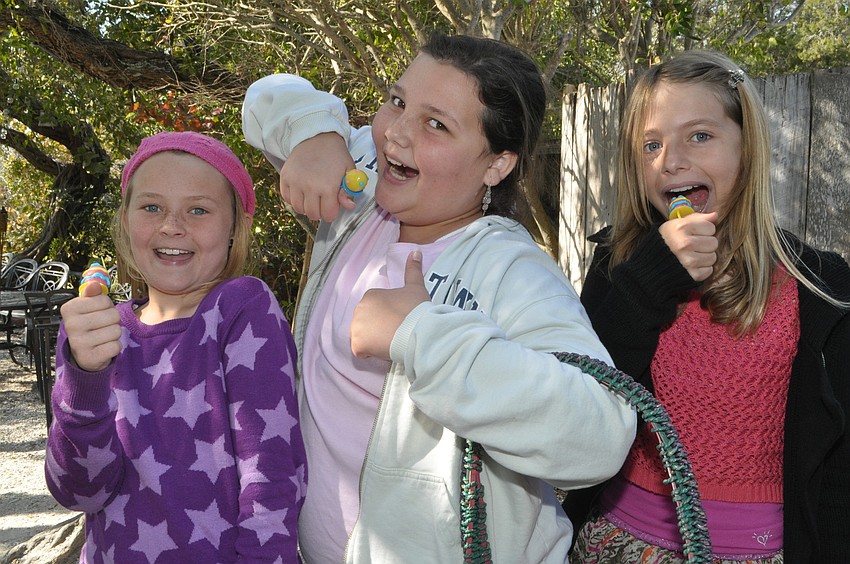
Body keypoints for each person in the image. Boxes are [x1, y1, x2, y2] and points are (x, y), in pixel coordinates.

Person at [242, 32, 637, 563]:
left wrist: (421, 335)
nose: (395, 133)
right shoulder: (359, 191)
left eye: (437, 124)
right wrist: (316, 135)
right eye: (397, 101)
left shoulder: (511, 269)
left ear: (496, 165)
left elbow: (603, 431)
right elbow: (271, 93)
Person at [565, 50, 850, 562]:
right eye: (651, 144)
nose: (670, 160)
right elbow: (582, 403)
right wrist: (650, 280)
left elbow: (838, 473)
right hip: (610, 541)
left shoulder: (821, 286)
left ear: (748, 145)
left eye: (700, 135)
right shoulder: (619, 263)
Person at [45, 131, 307, 563]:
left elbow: (272, 480)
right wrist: (83, 377)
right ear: (126, 220)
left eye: (198, 210)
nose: (172, 225)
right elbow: (80, 492)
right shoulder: (95, 328)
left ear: (233, 229)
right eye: (152, 207)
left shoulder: (242, 309)